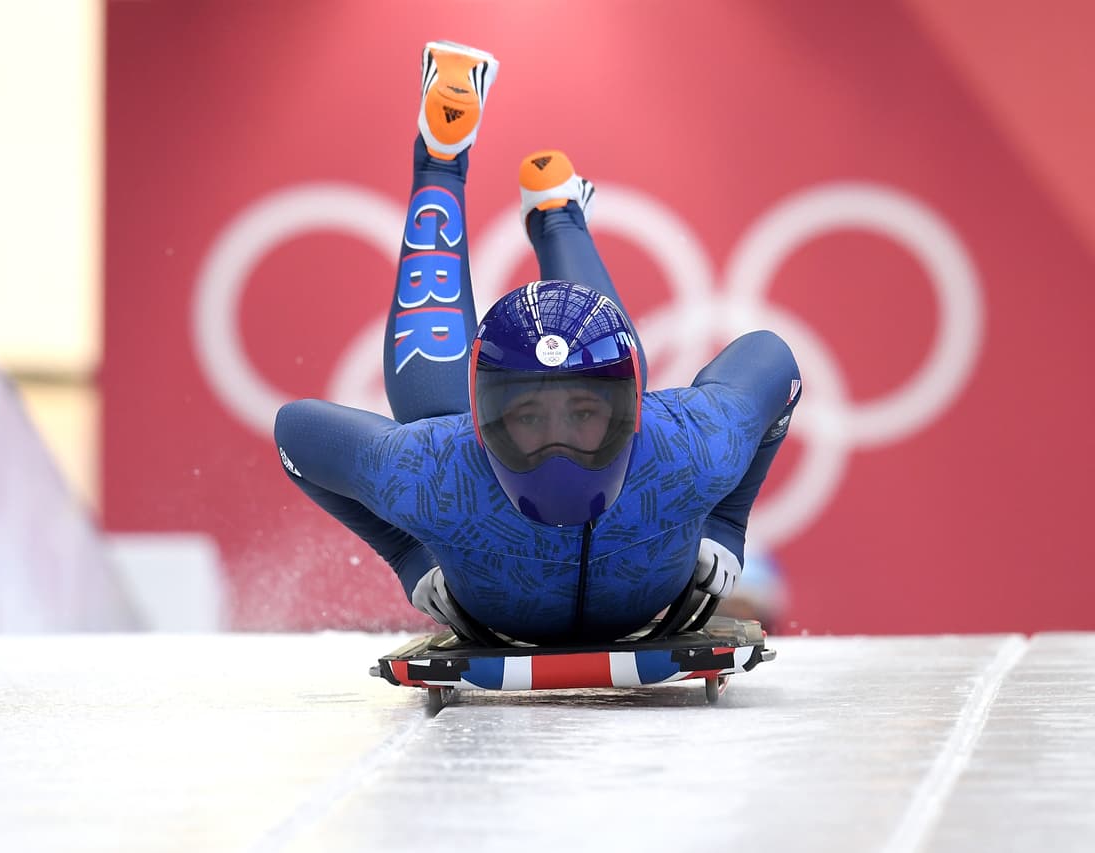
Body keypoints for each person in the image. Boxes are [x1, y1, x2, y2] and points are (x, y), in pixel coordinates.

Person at [274, 41, 801, 646]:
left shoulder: (688, 445)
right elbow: (774, 366)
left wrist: (728, 525)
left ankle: (485, 181)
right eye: (529, 415)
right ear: (487, 416)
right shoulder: (439, 465)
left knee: (569, 372)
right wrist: (406, 554)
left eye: (583, 413)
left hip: (507, 595)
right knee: (444, 414)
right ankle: (525, 197)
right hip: (631, 562)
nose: (560, 445)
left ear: (625, 414)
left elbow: (296, 429)